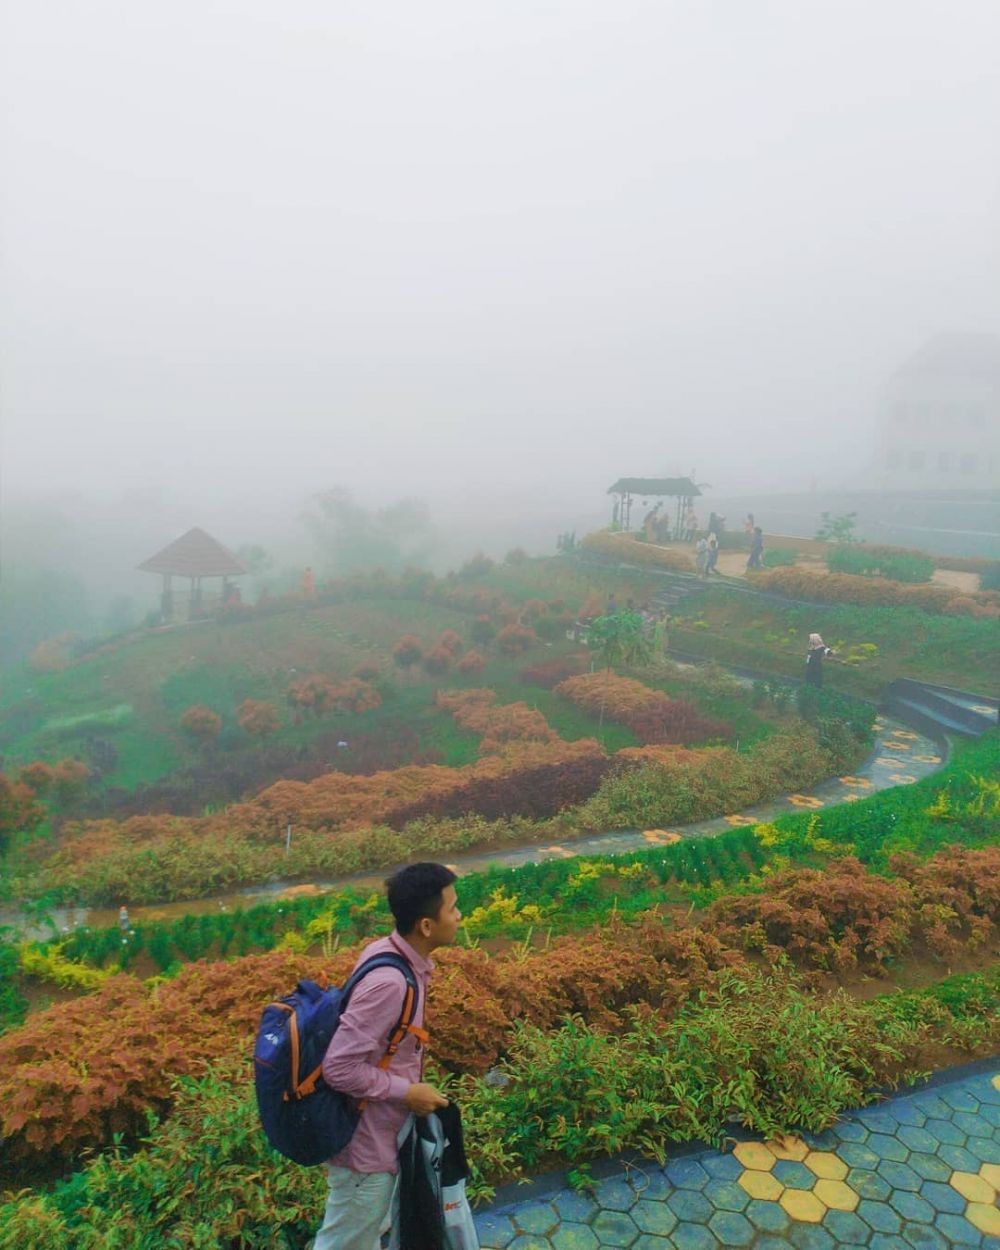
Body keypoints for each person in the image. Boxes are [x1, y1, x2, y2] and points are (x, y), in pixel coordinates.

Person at [314, 863, 462, 1250]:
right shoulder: (390, 983)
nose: (460, 916)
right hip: (366, 1149)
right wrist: (407, 1092)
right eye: (452, 908)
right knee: (344, 1241)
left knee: (368, 1234)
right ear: (426, 925)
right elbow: (339, 1067)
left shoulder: (388, 951)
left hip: (383, 1134)